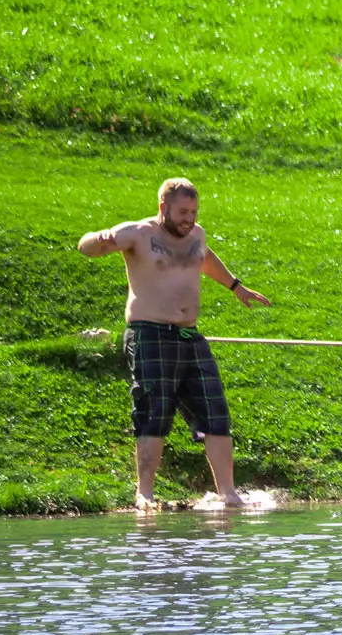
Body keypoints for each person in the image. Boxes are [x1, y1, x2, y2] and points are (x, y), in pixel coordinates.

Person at [77, 177, 272, 509]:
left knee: (215, 411)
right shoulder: (139, 233)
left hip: (188, 335)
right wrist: (98, 239)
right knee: (154, 411)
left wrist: (235, 286)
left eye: (194, 212)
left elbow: (204, 257)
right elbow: (87, 247)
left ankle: (227, 493)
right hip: (149, 334)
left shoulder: (196, 235)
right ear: (163, 207)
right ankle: (145, 494)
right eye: (183, 212)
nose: (190, 219)